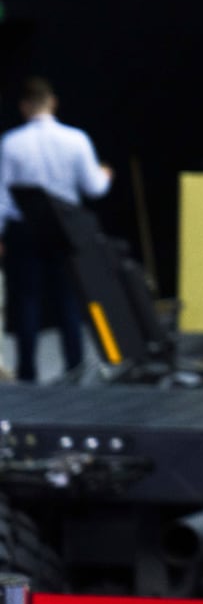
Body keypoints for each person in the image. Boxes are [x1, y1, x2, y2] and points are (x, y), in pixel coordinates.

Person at [0, 77, 113, 381]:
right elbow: (94, 188)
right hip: (64, 228)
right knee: (69, 301)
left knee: (26, 300)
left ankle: (27, 373)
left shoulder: (11, 142)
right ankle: (74, 369)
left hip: (25, 230)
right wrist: (105, 174)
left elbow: (2, 197)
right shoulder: (76, 139)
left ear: (24, 106)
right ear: (52, 102)